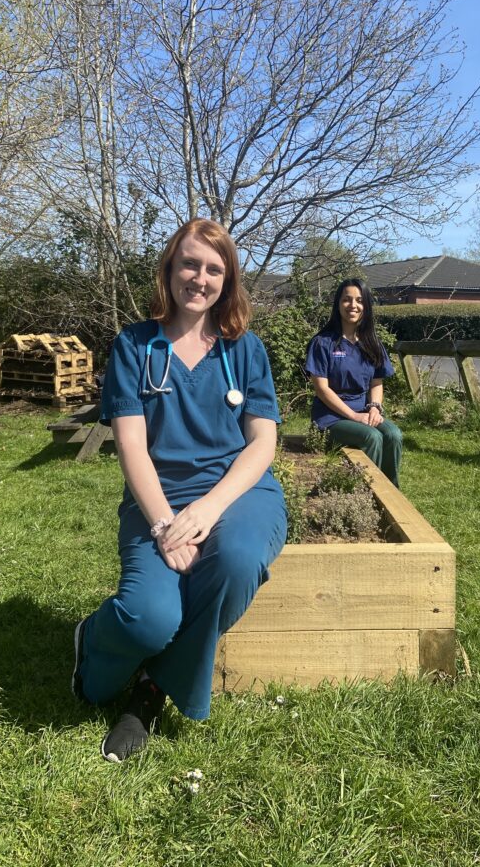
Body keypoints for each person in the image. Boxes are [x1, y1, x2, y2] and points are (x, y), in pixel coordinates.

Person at [72, 219, 287, 762]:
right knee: (149, 618)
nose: (200, 277)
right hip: (157, 500)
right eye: (190, 264)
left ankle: (148, 692)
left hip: (239, 492)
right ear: (169, 270)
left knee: (237, 559)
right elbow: (131, 448)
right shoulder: (134, 346)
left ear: (228, 280)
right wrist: (168, 524)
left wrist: (210, 509)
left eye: (215, 269)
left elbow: (262, 441)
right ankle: (96, 641)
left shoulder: (244, 350)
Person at [305, 278, 402, 487]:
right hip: (331, 419)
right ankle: (365, 494)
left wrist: (375, 408)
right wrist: (354, 416)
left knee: (393, 434)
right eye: (347, 299)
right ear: (338, 304)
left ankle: (392, 493)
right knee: (372, 437)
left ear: (365, 306)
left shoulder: (372, 343)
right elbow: (322, 389)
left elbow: (377, 382)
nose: (353, 305)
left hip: (364, 413)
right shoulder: (322, 342)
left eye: (359, 300)